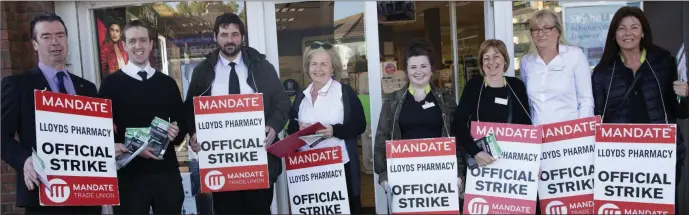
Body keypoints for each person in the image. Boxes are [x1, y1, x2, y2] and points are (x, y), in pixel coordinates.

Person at [186, 12, 291, 214]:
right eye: (224, 34)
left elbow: (282, 102)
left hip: (258, 161)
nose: (230, 40)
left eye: (235, 34)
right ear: (215, 37)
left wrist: (273, 126)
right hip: (221, 164)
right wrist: (193, 134)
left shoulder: (262, 67)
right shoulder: (204, 71)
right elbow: (189, 109)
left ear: (242, 37)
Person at [0, 13, 101, 214]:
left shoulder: (87, 88)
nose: (55, 42)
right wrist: (25, 160)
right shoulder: (19, 86)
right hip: (43, 193)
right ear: (35, 44)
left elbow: (97, 136)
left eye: (60, 35)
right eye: (46, 37)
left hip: (86, 193)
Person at [591, 7, 688, 214]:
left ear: (643, 32)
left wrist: (685, 95)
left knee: (663, 209)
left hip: (662, 156)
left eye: (634, 27)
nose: (628, 33)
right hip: (621, 161)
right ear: (614, 35)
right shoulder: (603, 71)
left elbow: (680, 111)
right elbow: (597, 117)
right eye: (622, 28)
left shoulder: (662, 61)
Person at [98, 20, 186, 214]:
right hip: (129, 177)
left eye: (143, 40)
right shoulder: (110, 85)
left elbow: (181, 127)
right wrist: (132, 148)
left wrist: (177, 131)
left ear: (151, 44)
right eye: (132, 41)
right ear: (124, 45)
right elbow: (101, 132)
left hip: (166, 175)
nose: (138, 46)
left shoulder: (168, 84)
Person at [373, 39, 466, 195]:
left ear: (431, 69)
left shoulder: (446, 99)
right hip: (404, 177)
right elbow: (382, 138)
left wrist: (459, 173)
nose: (419, 71)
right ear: (406, 70)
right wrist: (384, 175)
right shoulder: (392, 101)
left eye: (424, 66)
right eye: (413, 67)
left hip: (440, 175)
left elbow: (458, 137)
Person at [286, 41, 367, 213]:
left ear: (333, 68)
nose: (318, 69)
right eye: (314, 64)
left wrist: (334, 130)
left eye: (324, 64)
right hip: (307, 169)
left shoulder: (344, 92)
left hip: (338, 168)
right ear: (308, 67)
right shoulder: (302, 96)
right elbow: (291, 128)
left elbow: (359, 125)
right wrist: (298, 128)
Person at [452, 39, 531, 167]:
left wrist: (532, 162)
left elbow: (526, 126)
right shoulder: (474, 86)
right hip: (481, 161)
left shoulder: (516, 86)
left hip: (512, 161)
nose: (491, 62)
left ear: (505, 60)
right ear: (481, 63)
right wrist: (475, 152)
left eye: (496, 56)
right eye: (486, 58)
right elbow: (458, 124)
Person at [520, 9, 594, 125]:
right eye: (536, 29)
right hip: (539, 136)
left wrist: (583, 132)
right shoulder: (527, 62)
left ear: (558, 31)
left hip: (569, 135)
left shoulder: (575, 56)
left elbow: (586, 100)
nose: (540, 33)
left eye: (546, 28)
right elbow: (528, 104)